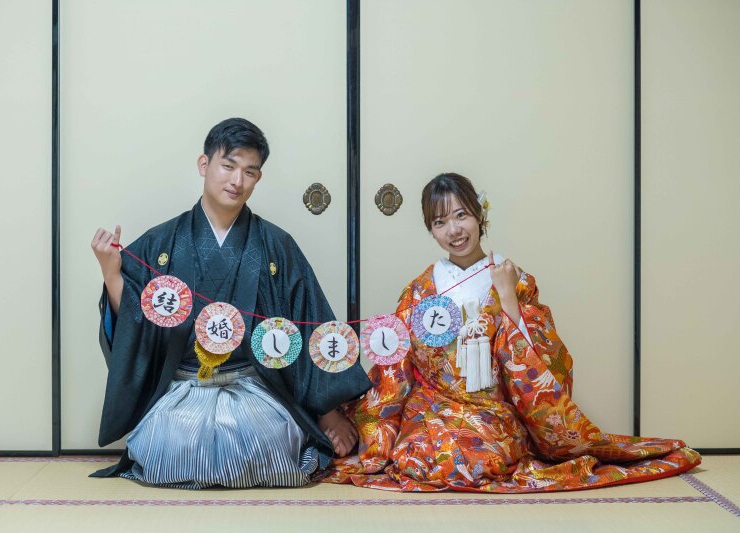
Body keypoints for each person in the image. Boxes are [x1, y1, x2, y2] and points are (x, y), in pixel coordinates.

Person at [325, 172, 700, 492]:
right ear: (431, 230)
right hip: (432, 406)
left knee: (474, 462)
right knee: (419, 459)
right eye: (440, 222)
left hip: (492, 408)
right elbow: (397, 366)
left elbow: (543, 357)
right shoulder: (421, 289)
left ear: (480, 215)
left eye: (461, 215)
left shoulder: (512, 277)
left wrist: (507, 297)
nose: (454, 230)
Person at [90, 118, 370, 488]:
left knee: (269, 444)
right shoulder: (161, 243)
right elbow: (135, 324)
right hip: (184, 389)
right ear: (204, 164)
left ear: (258, 178)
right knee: (167, 448)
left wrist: (328, 411)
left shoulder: (276, 245)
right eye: (228, 165)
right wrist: (111, 273)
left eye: (249, 172)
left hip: (255, 388)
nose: (237, 180)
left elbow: (309, 319)